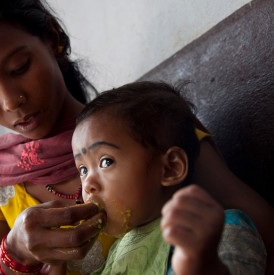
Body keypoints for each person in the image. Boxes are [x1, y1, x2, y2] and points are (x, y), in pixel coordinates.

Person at [0, 0, 274, 274]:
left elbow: (258, 229)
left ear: (53, 38)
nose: (9, 99)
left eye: (19, 68)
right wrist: (16, 251)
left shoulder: (150, 128)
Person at [71, 81, 266, 274]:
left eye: (106, 162)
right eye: (83, 170)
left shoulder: (215, 230)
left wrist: (201, 263)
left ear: (170, 168)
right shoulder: (118, 250)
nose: (88, 184)